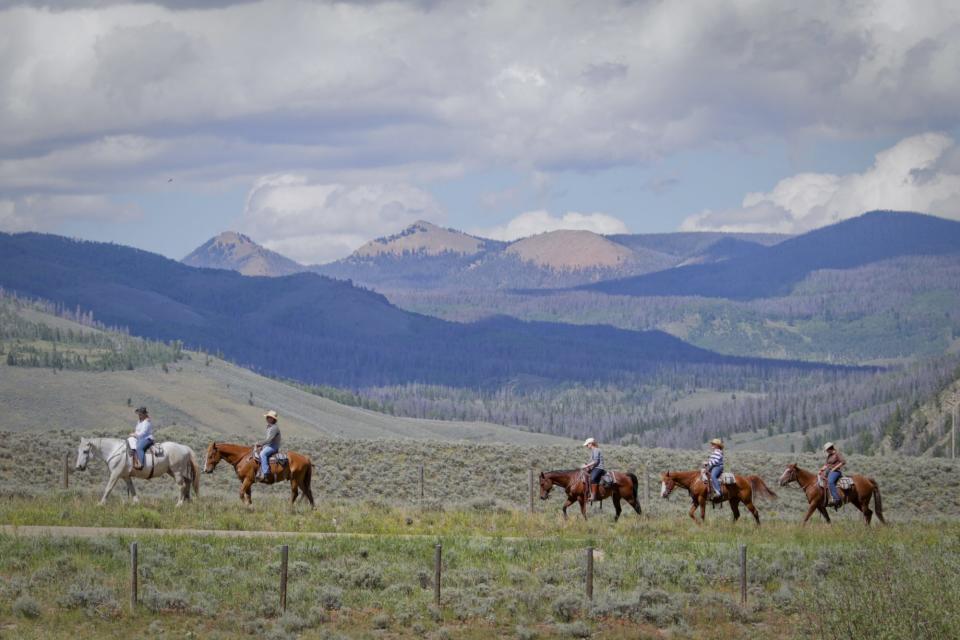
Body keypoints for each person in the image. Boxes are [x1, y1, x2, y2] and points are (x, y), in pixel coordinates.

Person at [256, 410, 281, 482]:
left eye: (269, 417)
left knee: (262, 454)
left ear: (273, 419)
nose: (267, 418)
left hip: (273, 446)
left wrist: (260, 443)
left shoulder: (274, 428)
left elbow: (270, 439)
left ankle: (266, 473)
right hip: (269, 445)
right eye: (267, 417)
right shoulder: (269, 427)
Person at [820, 442, 846, 508]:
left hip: (836, 472)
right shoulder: (829, 455)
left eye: (827, 450)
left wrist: (834, 468)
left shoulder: (837, 454)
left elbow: (843, 462)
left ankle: (837, 498)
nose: (826, 452)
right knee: (821, 480)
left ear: (829, 449)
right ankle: (825, 498)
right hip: (829, 471)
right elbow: (826, 464)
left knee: (830, 482)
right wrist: (821, 469)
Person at [581, 437, 604, 503]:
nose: (586, 446)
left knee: (592, 479)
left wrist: (587, 466)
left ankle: (593, 496)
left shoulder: (596, 450)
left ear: (591, 444)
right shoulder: (593, 450)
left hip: (599, 468)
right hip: (595, 467)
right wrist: (587, 465)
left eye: (587, 445)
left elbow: (596, 461)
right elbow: (592, 461)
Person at [130, 406, 153, 470]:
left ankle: (141, 463)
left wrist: (135, 435)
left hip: (147, 438)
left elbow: (143, 433)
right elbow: (137, 430)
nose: (139, 415)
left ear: (144, 414)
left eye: (140, 414)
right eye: (139, 414)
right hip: (140, 437)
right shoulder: (139, 421)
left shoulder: (146, 422)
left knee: (139, 447)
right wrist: (134, 434)